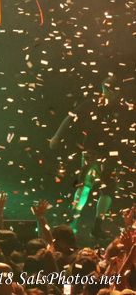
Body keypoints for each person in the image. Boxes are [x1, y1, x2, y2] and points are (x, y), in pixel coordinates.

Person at [49, 74, 131, 237]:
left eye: (111, 90)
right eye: (106, 88)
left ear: (117, 92)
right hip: (93, 151)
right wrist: (57, 136)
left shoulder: (122, 108)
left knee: (106, 189)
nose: (108, 92)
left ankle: (95, 226)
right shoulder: (92, 104)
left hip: (111, 154)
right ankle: (73, 222)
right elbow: (70, 118)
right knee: (86, 186)